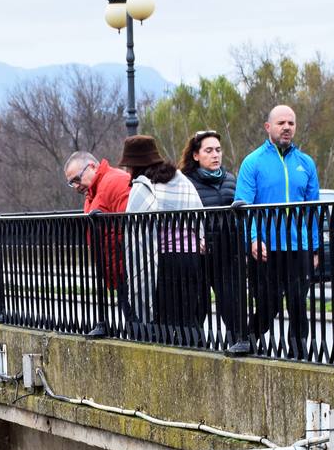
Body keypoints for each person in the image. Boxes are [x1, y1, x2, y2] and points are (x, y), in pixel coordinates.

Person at [234, 105, 320, 357]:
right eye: (281, 123)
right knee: (268, 305)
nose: (286, 128)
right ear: (268, 127)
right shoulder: (253, 162)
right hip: (266, 248)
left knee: (297, 303)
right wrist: (252, 238)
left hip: (298, 247)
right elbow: (242, 205)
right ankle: (249, 340)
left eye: (291, 123)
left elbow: (313, 209)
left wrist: (315, 247)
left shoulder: (306, 163)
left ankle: (298, 354)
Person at [118, 134, 205, 345]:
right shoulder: (180, 179)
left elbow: (136, 231)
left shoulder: (144, 185)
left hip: (164, 260)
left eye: (129, 166)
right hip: (191, 257)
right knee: (187, 318)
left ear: (136, 165)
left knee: (164, 320)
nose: (128, 171)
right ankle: (198, 357)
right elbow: (197, 213)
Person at [179, 129, 242, 344]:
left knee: (233, 308)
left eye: (218, 150)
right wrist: (195, 238)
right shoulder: (185, 182)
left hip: (228, 254)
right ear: (196, 155)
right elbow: (179, 217)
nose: (215, 155)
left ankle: (236, 350)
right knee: (198, 308)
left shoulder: (230, 179)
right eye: (209, 150)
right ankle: (197, 352)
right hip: (199, 256)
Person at [63, 152, 131, 331]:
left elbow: (131, 225)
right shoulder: (92, 192)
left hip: (130, 271)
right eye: (71, 183)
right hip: (119, 272)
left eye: (77, 179)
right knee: (134, 325)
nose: (76, 186)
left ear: (92, 167)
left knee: (140, 327)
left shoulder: (116, 181)